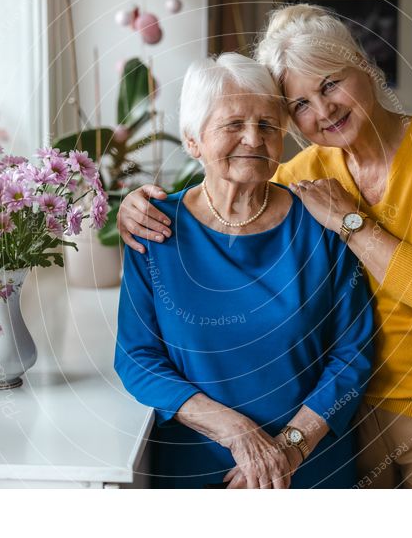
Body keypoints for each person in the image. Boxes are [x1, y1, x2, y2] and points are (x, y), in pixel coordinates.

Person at [118, 4, 412, 489]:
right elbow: (235, 185)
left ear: (364, 66)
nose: (322, 111)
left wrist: (350, 221)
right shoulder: (302, 177)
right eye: (300, 104)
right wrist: (132, 204)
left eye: (329, 84)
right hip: (354, 419)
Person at [114, 52, 374, 489]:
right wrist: (238, 433)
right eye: (233, 125)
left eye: (268, 125)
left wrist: (289, 447)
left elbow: (353, 352)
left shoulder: (321, 221)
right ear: (193, 141)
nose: (253, 139)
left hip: (311, 465)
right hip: (196, 466)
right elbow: (138, 359)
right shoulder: (155, 228)